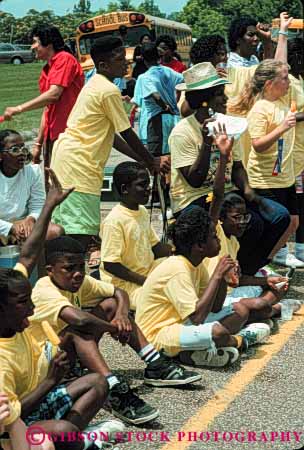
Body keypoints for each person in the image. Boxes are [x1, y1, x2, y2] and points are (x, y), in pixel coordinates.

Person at [0, 169, 114, 450]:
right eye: (23, 304)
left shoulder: (11, 285)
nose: (31, 308)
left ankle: (77, 438)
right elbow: (13, 416)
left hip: (37, 400)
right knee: (64, 431)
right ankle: (79, 439)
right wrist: (51, 379)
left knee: (98, 383)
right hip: (13, 427)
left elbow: (28, 253)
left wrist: (50, 204)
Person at [169, 61, 290, 276]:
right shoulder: (182, 132)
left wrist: (249, 191)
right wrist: (207, 143)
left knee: (279, 216)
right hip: (194, 199)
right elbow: (194, 180)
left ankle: (247, 270)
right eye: (220, 95)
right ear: (205, 101)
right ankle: (229, 272)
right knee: (251, 224)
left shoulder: (227, 124)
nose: (226, 99)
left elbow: (237, 167)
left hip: (225, 194)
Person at [50, 36, 169, 251]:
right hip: (79, 165)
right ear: (103, 64)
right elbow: (127, 133)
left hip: (70, 161)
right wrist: (151, 160)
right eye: (120, 59)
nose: (126, 63)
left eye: (126, 57)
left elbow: (112, 137)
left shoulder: (95, 84)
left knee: (71, 230)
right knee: (80, 234)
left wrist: (145, 161)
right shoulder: (108, 90)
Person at [135, 203, 270, 369]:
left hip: (180, 322)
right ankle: (240, 341)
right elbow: (197, 317)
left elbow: (215, 307)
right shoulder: (177, 268)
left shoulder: (196, 264)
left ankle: (192, 352)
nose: (218, 239)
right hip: (158, 334)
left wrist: (222, 278)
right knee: (217, 332)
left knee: (240, 311)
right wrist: (217, 275)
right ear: (199, 246)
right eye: (213, 236)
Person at [3, 25, 84, 169]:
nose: (32, 47)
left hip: (69, 136)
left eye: (35, 42)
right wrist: (38, 144)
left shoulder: (64, 59)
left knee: (63, 185)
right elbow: (48, 110)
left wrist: (19, 108)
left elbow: (53, 94)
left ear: (49, 44)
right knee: (50, 183)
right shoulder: (47, 70)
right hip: (53, 137)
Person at [99, 162, 172, 310]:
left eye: (148, 184)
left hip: (147, 272)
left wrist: (181, 251)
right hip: (126, 286)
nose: (148, 189)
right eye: (142, 185)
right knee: (165, 300)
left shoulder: (142, 211)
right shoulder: (115, 220)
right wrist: (146, 281)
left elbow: (156, 247)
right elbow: (111, 264)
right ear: (125, 189)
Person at [0, 129, 63, 244]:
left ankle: (35, 260)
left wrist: (31, 218)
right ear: (1, 155)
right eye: (15, 150)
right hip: (3, 225)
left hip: (22, 224)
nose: (21, 154)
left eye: (23, 149)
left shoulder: (33, 171)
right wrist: (10, 228)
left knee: (55, 231)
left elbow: (37, 203)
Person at [133, 43, 183, 157]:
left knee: (158, 158)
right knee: (172, 154)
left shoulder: (144, 77)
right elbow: (184, 79)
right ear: (159, 57)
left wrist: (164, 106)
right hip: (173, 118)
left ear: (144, 60)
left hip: (157, 121)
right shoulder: (168, 71)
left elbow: (155, 95)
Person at [287, 38, 304, 261]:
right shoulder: (288, 83)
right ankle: (283, 251)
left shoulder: (299, 79)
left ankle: (301, 248)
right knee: (294, 203)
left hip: (302, 149)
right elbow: (286, 116)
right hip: (293, 150)